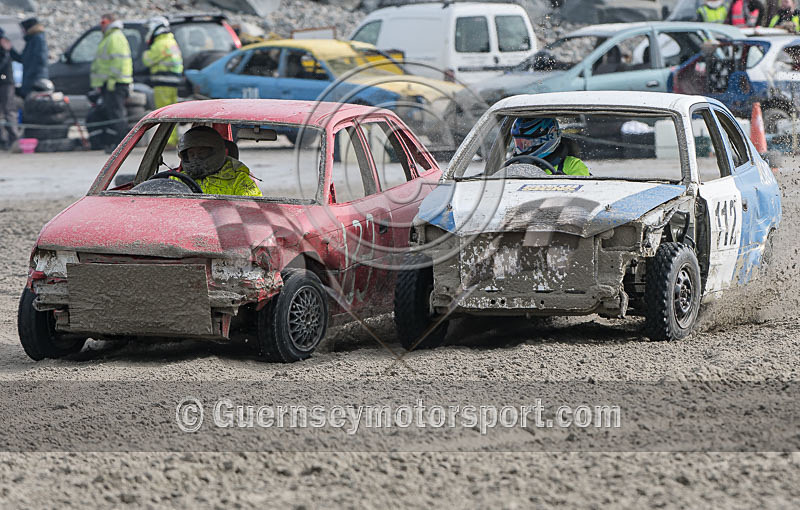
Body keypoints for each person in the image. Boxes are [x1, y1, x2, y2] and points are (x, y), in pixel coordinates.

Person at [177, 126, 262, 196]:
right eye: (191, 154)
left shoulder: (240, 180)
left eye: (201, 153)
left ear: (216, 152)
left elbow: (251, 207)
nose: (196, 158)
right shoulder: (178, 179)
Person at [90, 13, 133, 152]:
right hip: (110, 83)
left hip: (115, 84)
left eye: (103, 22)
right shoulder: (110, 37)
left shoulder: (115, 38)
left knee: (117, 115)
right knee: (112, 113)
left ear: (110, 22)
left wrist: (111, 81)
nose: (101, 26)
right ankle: (117, 144)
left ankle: (122, 145)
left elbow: (118, 63)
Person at [142, 16, 183, 146]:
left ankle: (167, 141)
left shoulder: (159, 44)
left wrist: (145, 52)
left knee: (164, 113)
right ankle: (172, 139)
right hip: (173, 82)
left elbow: (147, 61)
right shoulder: (171, 41)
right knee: (172, 113)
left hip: (162, 83)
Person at [508, 118, 589, 176]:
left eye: (525, 144)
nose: (519, 150)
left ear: (544, 140)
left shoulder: (573, 166)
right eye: (517, 144)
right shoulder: (513, 167)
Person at [11, 17, 48, 98]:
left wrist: (31, 79)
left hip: (34, 80)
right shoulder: (32, 39)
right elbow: (23, 59)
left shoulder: (37, 39)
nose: (22, 31)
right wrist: (10, 50)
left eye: (23, 29)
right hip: (31, 78)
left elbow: (39, 60)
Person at [0, 28, 18, 151]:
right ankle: (4, 139)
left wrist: (7, 50)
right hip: (5, 81)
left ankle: (14, 138)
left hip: (5, 82)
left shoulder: (5, 46)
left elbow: (4, 63)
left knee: (8, 110)